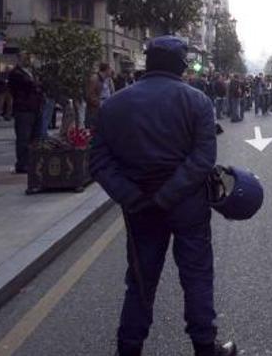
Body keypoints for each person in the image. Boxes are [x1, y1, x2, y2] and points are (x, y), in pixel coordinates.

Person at [90, 36, 236, 356]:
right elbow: (203, 158)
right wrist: (168, 195)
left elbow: (99, 161)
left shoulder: (114, 104)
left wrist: (133, 196)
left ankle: (129, 347)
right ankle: (204, 346)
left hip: (140, 207)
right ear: (182, 66)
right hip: (187, 205)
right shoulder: (197, 101)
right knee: (196, 276)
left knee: (140, 282)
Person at [8, 54, 43, 174]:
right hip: (23, 109)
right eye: (25, 58)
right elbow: (29, 85)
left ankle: (32, 162)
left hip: (35, 108)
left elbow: (38, 85)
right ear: (19, 59)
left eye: (29, 58)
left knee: (35, 137)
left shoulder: (31, 72)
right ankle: (22, 164)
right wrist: (36, 84)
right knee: (23, 137)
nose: (28, 60)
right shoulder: (16, 73)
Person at [86, 63, 114, 131]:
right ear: (106, 70)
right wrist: (99, 103)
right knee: (95, 129)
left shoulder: (108, 80)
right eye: (110, 69)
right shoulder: (94, 79)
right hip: (96, 109)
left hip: (106, 106)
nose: (112, 71)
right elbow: (89, 95)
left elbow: (112, 92)